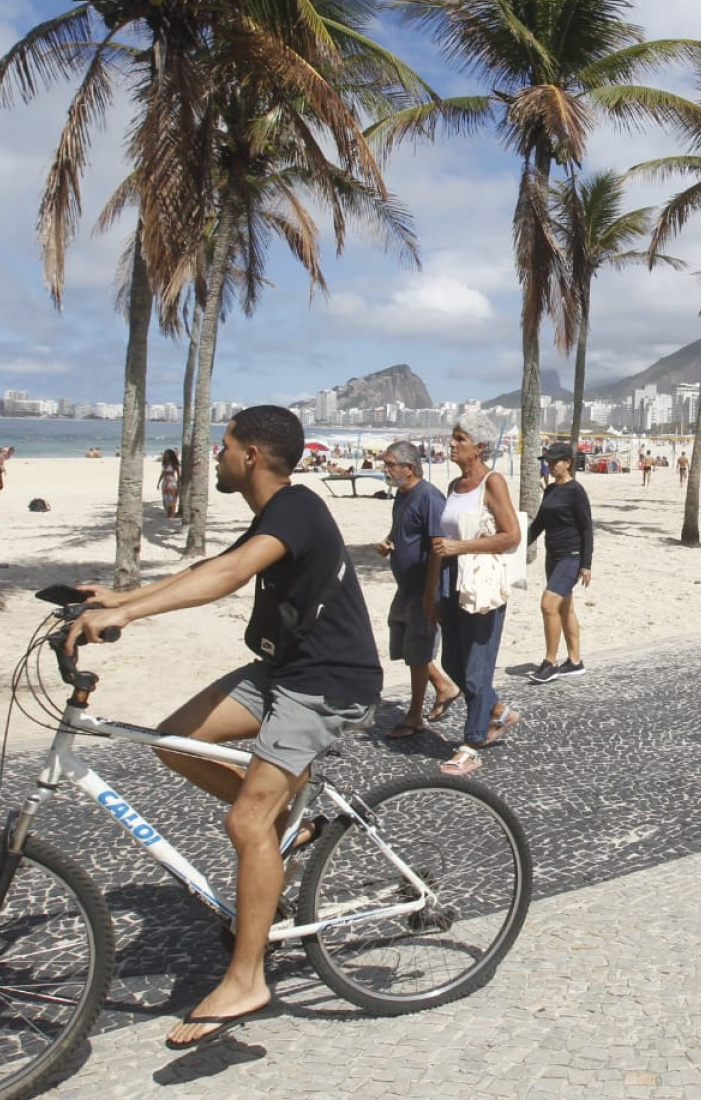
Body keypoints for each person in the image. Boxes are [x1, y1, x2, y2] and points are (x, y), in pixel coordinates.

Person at [65, 405, 380, 1048]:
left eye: (225, 446)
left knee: (245, 823)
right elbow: (206, 569)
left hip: (328, 682)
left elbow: (231, 577)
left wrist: (132, 618)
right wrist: (118, 599)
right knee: (174, 739)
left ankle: (246, 978)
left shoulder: (297, 508)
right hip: (285, 671)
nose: (218, 456)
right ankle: (286, 824)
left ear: (253, 457)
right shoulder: (273, 515)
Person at [429, 413, 522, 775]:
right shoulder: (454, 485)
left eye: (460, 439)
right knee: (453, 661)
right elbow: (440, 542)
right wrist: (434, 592)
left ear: (479, 446)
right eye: (452, 438)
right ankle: (498, 710)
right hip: (451, 577)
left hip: (480, 579)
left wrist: (462, 546)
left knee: (476, 668)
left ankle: (472, 743)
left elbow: (511, 535)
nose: (452, 444)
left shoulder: (492, 482)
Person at [375, 441, 461, 737]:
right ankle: (443, 686)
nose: (385, 470)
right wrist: (389, 543)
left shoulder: (429, 497)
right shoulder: (401, 495)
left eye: (389, 465)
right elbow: (402, 529)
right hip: (407, 586)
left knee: (417, 647)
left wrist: (430, 593)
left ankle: (414, 716)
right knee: (402, 641)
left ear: (409, 468)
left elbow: (439, 547)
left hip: (425, 587)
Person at [528, 441, 594, 683]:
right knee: (565, 609)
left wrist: (586, 564)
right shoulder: (551, 491)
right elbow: (539, 524)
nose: (550, 465)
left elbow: (587, 528)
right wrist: (516, 545)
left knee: (548, 605)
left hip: (571, 556)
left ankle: (550, 662)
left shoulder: (576, 491)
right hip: (553, 557)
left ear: (567, 463)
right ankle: (575, 661)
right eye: (548, 461)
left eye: (555, 461)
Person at [159, 448, 181, 518]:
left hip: (172, 481)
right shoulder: (164, 463)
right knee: (165, 499)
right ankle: (169, 512)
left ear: (171, 455)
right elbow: (162, 474)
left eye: (167, 454)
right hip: (164, 482)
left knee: (172, 498)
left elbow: (178, 474)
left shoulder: (174, 464)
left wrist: (179, 482)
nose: (166, 456)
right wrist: (158, 482)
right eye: (165, 454)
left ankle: (172, 514)